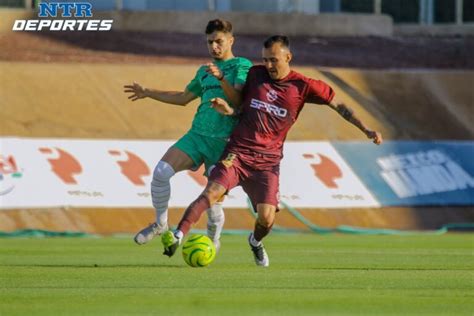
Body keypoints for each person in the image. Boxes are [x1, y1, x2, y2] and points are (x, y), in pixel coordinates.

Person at [161, 35, 383, 266]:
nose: (268, 65)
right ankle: (178, 235)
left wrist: (365, 128)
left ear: (288, 57)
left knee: (266, 219)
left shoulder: (303, 86)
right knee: (211, 192)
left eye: (274, 60)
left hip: (267, 164)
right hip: (237, 153)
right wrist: (227, 108)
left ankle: (255, 242)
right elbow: (238, 104)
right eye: (265, 60)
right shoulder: (255, 75)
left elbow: (340, 107)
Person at [123, 19, 252, 251]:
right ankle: (160, 224)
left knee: (213, 205)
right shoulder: (203, 71)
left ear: (231, 41)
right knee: (161, 172)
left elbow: (239, 101)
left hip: (224, 144)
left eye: (219, 41)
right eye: (210, 42)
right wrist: (147, 92)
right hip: (197, 136)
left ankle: (212, 242)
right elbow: (183, 98)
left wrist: (221, 78)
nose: (214, 47)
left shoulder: (241, 65)